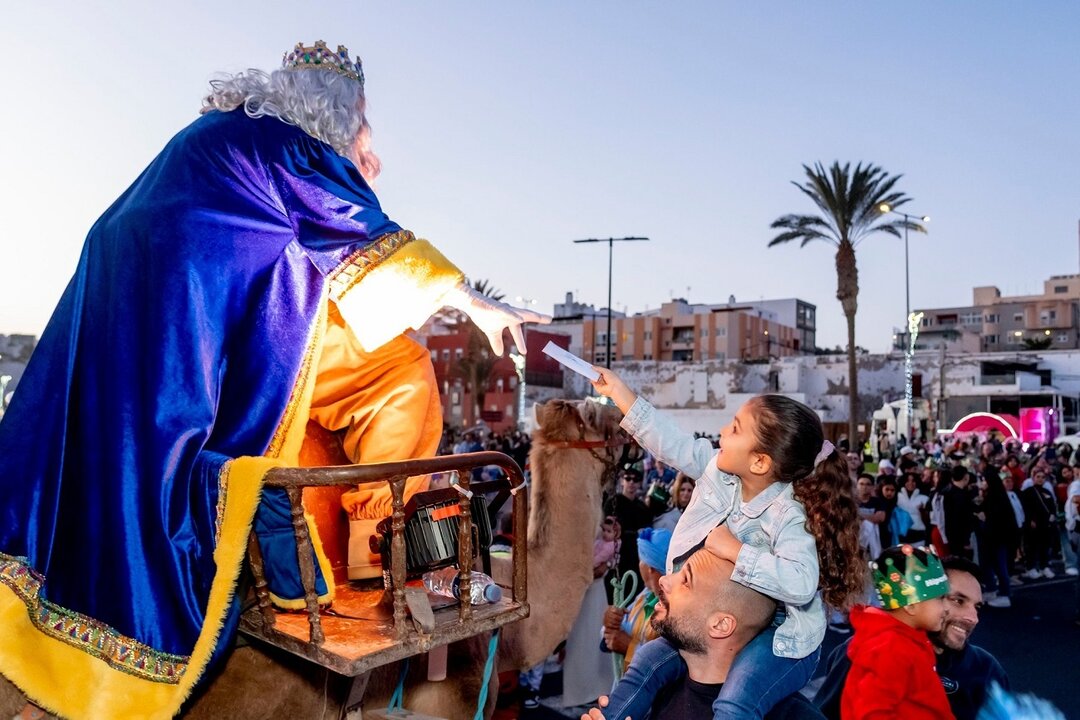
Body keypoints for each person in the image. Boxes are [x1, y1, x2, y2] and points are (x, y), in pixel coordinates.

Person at [0, 41, 548, 720]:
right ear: (340, 115)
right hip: (220, 351)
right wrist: (471, 300)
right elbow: (356, 230)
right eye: (363, 128)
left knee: (379, 369)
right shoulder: (286, 144)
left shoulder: (212, 140)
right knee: (404, 369)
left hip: (178, 344)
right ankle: (382, 554)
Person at [590, 367, 865, 720]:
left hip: (781, 639)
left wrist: (734, 550)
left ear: (760, 462)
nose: (722, 432)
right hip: (721, 619)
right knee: (646, 661)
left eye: (734, 428)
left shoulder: (790, 516)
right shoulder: (720, 474)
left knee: (736, 702)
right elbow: (674, 443)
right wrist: (621, 394)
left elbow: (801, 583)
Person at [583, 549, 824, 720]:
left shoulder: (792, 715)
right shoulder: (654, 690)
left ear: (720, 625)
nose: (665, 580)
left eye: (686, 580)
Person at [815, 556, 1009, 720]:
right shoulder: (864, 653)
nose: (973, 618)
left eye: (977, 607)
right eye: (958, 601)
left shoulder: (986, 669)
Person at [841, 545, 954, 719]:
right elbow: (871, 713)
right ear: (910, 604)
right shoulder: (890, 648)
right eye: (940, 598)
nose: (947, 608)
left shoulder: (908, 638)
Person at [601, 527, 672, 674]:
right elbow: (610, 639)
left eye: (641, 560)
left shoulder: (674, 610)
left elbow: (669, 666)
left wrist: (630, 648)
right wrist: (609, 622)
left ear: (650, 568)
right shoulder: (644, 596)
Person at [1020, 468, 1058, 579]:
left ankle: (1044, 566)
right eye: (1038, 477)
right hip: (1033, 524)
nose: (1040, 479)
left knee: (1045, 545)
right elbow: (1025, 508)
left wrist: (1053, 515)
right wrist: (1030, 519)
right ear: (1033, 478)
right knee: (1032, 546)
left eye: (1043, 477)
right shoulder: (1028, 492)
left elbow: (1052, 506)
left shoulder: (1047, 492)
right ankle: (1030, 567)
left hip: (1046, 523)